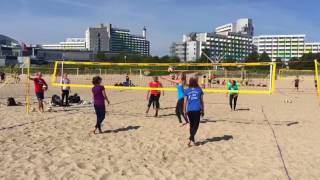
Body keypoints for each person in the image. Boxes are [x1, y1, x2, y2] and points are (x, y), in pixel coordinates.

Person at [184, 77, 204, 147]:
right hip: (197, 109)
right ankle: (190, 139)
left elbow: (185, 101)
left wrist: (184, 110)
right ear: (196, 82)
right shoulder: (199, 90)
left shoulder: (187, 90)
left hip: (189, 110)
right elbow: (201, 101)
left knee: (192, 126)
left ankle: (192, 140)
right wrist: (203, 110)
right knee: (196, 126)